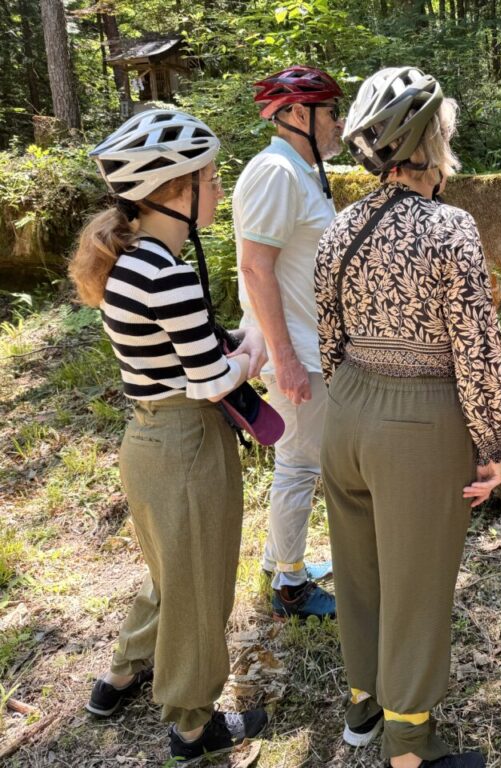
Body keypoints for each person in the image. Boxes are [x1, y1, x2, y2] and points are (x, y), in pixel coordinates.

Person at [314, 67, 501, 768]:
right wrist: (493, 443)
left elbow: (328, 338)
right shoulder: (449, 228)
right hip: (418, 423)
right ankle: (411, 747)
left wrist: (354, 399)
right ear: (432, 140)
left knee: (360, 570)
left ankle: (362, 707)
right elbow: (478, 349)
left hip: (345, 415)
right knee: (418, 584)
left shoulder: (340, 228)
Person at [70, 109, 269, 762]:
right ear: (175, 191)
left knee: (168, 573)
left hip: (147, 439)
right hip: (188, 446)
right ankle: (192, 725)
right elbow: (212, 380)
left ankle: (121, 676)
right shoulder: (171, 274)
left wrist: (229, 343)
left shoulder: (130, 259)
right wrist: (257, 349)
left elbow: (178, 347)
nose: (218, 189)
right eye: (211, 179)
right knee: (201, 585)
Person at [234, 65, 345, 621]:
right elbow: (256, 269)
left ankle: (281, 559)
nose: (339, 123)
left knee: (299, 461)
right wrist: (286, 360)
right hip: (297, 351)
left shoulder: (302, 171)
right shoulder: (277, 172)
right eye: (331, 112)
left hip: (308, 345)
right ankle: (290, 587)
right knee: (300, 465)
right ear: (298, 114)